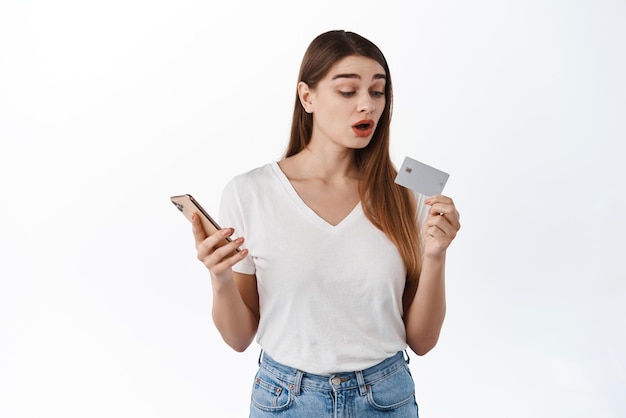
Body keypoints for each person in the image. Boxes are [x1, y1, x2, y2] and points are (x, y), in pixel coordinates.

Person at [190, 30, 460, 418]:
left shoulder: (409, 191)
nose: (367, 105)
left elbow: (422, 340)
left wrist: (436, 256)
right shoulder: (250, 192)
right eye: (348, 91)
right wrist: (219, 278)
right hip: (285, 401)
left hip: (385, 399)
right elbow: (238, 338)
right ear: (307, 97)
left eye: (378, 91)